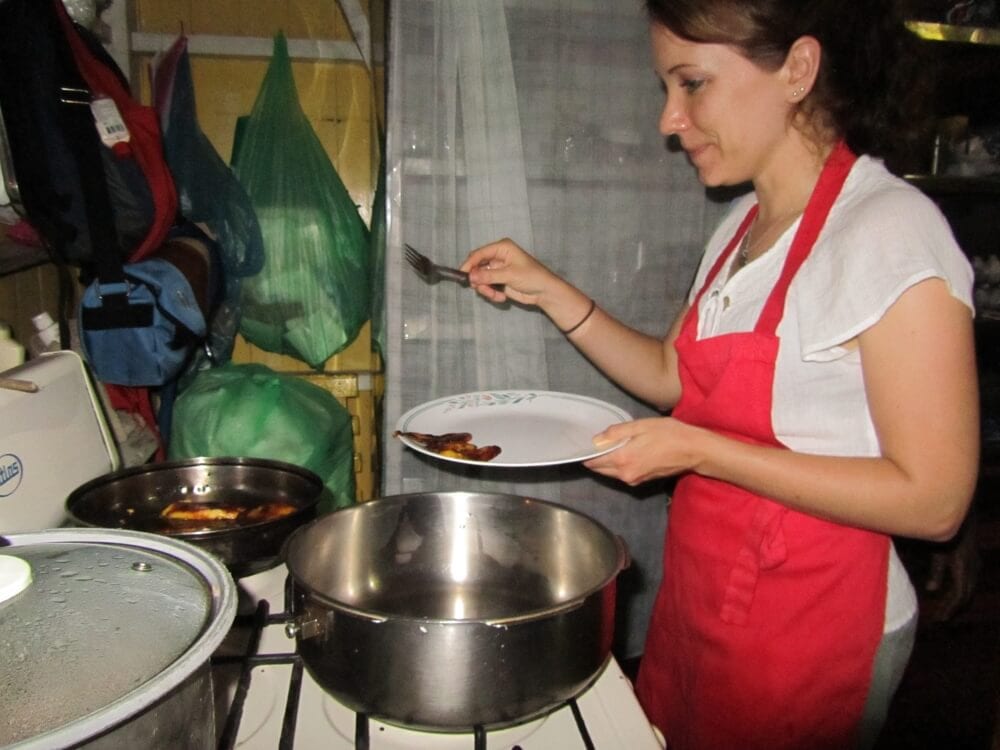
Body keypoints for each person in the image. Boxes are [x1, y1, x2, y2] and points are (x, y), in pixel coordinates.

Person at [459, 1, 980, 748]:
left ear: (798, 69)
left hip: (813, 626)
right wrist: (552, 291)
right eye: (667, 88)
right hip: (705, 604)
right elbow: (675, 376)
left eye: (692, 83)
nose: (670, 120)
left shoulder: (889, 231)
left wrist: (698, 451)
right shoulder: (742, 223)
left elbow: (934, 501)